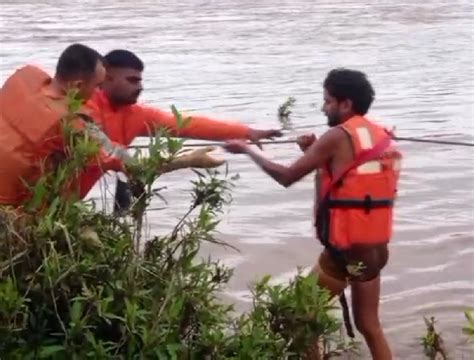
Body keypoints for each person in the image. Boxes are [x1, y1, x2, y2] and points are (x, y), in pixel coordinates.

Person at [224, 68, 402, 359]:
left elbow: (286, 177)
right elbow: (339, 184)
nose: (323, 108)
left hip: (344, 254)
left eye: (328, 101)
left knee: (298, 317)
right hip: (374, 251)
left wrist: (247, 151)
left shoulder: (336, 135)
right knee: (370, 326)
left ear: (346, 104)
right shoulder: (378, 134)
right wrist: (315, 154)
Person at [85, 49, 282, 208]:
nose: (140, 87)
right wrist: (186, 160)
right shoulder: (81, 106)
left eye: (140, 80)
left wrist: (245, 132)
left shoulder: (137, 114)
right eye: (132, 80)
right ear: (107, 78)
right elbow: (112, 155)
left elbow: (189, 124)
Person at [0, 43, 111, 205]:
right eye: (98, 86)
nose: (100, 93)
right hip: (10, 208)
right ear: (78, 85)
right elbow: (109, 156)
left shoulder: (24, 78)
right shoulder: (70, 122)